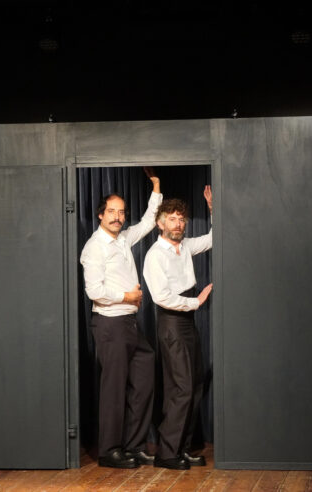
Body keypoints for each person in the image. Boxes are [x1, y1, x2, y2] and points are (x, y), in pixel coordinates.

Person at [79, 168, 162, 469]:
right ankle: (109, 451)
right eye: (112, 212)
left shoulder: (124, 239)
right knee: (113, 388)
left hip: (129, 324)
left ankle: (134, 445)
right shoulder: (94, 248)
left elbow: (149, 221)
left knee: (144, 377)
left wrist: (156, 186)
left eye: (122, 212)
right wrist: (126, 296)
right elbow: (94, 291)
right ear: (101, 215)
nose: (117, 217)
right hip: (110, 323)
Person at [142, 186, 213, 470]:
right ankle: (167, 454)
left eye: (181, 219)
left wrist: (212, 209)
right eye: (172, 219)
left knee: (194, 386)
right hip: (171, 322)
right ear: (161, 224)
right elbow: (162, 297)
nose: (178, 224)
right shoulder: (155, 255)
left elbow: (213, 238)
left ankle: (181, 449)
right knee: (181, 388)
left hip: (187, 322)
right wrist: (196, 302)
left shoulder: (185, 247)